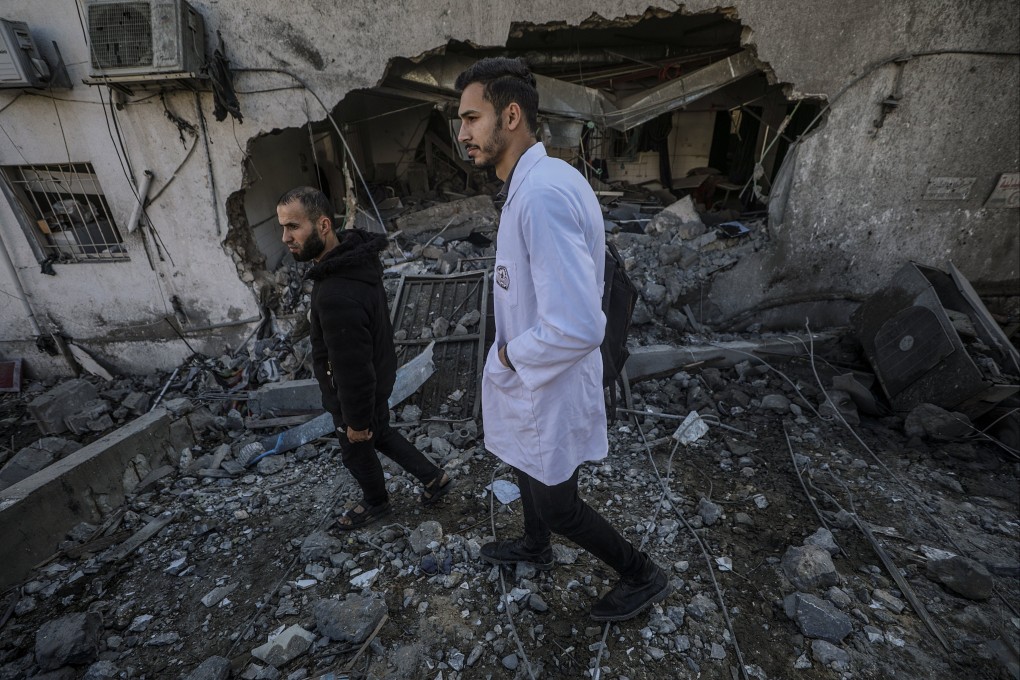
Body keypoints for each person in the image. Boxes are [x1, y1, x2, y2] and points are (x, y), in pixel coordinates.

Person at [455, 58, 672, 622]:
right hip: (536, 374)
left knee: (558, 502)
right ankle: (534, 546)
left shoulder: (543, 195)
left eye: (471, 118)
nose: (462, 134)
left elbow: (579, 325)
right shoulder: (534, 184)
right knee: (527, 460)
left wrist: (507, 355)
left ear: (511, 114)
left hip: (549, 375)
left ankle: (641, 573)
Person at [277, 187, 452, 529]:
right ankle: (434, 478)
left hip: (356, 392)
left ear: (323, 225)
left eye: (293, 227)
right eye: (282, 228)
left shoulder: (336, 293)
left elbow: (351, 367)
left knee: (357, 448)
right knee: (380, 431)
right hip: (380, 375)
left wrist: (354, 421)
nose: (285, 238)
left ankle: (376, 503)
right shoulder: (354, 260)